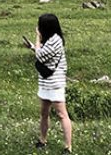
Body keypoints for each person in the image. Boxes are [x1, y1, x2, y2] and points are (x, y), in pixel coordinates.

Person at [28, 13, 72, 153]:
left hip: (55, 84)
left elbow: (40, 55)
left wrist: (37, 37)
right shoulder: (49, 39)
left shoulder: (55, 40)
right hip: (45, 83)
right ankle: (42, 139)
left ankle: (68, 146)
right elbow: (42, 52)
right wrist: (34, 46)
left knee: (62, 114)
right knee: (44, 113)